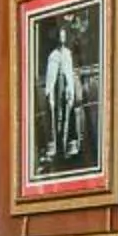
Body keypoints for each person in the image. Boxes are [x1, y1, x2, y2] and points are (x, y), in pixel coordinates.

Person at [39, 20, 82, 168]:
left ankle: (69, 148)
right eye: (60, 36)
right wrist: (50, 93)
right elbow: (51, 77)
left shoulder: (68, 54)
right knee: (57, 117)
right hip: (58, 89)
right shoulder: (53, 55)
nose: (62, 39)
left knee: (69, 116)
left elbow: (69, 73)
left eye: (64, 36)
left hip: (67, 89)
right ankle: (55, 149)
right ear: (57, 38)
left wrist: (71, 87)